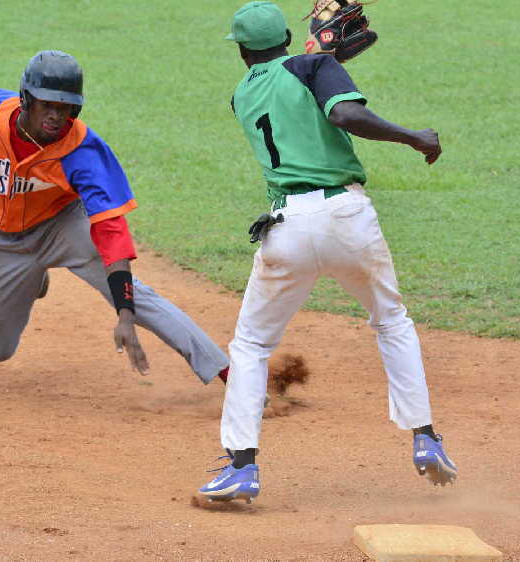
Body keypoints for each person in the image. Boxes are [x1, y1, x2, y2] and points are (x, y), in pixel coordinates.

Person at [196, 1, 457, 503]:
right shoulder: (313, 66)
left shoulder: (242, 95)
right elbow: (341, 112)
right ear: (288, 40)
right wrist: (412, 137)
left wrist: (325, 62)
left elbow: (291, 91)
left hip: (287, 228)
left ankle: (241, 466)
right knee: (391, 321)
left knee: (251, 346)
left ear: (242, 51)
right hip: (346, 219)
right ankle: (425, 437)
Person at [0, 50, 229, 385]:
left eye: (64, 107)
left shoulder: (83, 151)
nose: (56, 116)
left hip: (63, 226)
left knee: (137, 297)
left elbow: (112, 233)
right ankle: (32, 279)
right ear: (26, 99)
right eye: (47, 105)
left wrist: (124, 314)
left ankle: (229, 374)